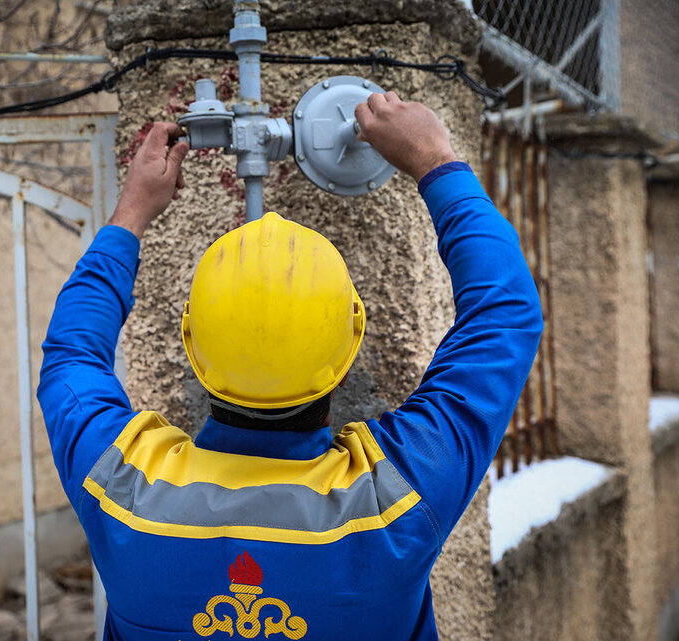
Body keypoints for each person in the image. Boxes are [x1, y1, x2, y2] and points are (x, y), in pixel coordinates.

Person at [37, 92, 543, 640]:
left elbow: (71, 357)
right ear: (349, 348)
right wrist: (437, 163)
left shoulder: (122, 489)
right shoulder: (395, 498)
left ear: (191, 341)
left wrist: (130, 213)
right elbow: (504, 315)